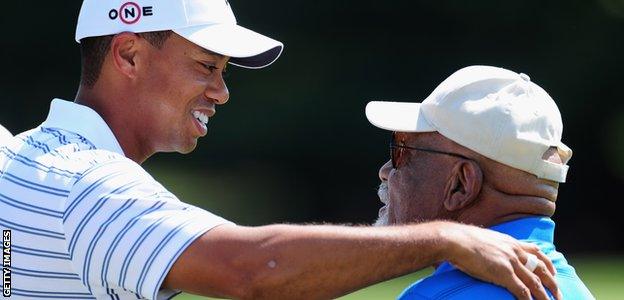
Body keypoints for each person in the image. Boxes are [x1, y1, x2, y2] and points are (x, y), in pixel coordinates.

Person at [0, 0, 558, 298]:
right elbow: (249, 270)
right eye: (207, 66)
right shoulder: (90, 187)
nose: (221, 91)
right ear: (127, 55)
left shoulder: (28, 158)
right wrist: (445, 237)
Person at [366, 65, 594, 299]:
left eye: (402, 150)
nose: (385, 171)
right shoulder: (576, 291)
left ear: (461, 184)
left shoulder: (430, 296)